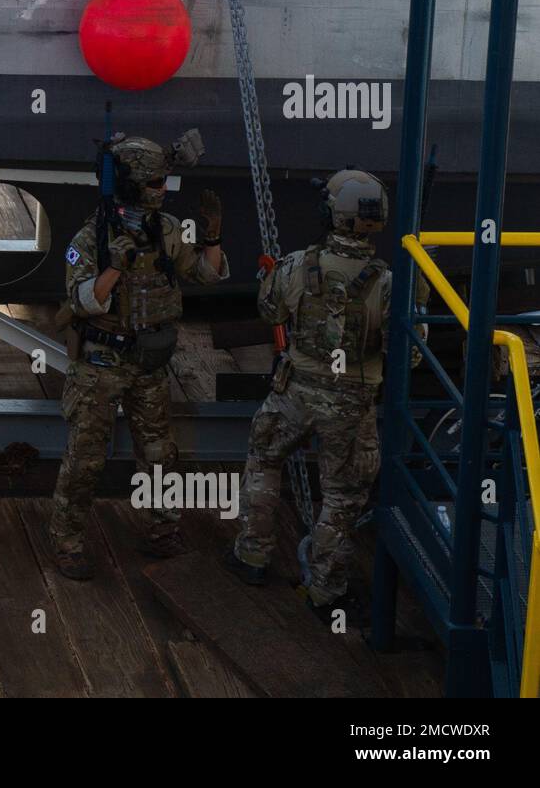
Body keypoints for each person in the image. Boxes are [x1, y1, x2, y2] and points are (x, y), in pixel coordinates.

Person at [227, 170, 412, 623]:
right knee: (343, 497)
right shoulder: (391, 285)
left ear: (332, 214)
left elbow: (270, 310)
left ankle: (251, 556)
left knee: (264, 463)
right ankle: (326, 591)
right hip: (351, 405)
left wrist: (267, 278)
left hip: (295, 393)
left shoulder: (297, 265)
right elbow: (409, 354)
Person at [50, 130, 229, 579]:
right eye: (154, 184)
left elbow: (206, 276)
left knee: (159, 454)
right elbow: (83, 301)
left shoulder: (164, 231)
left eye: (164, 181)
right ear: (130, 185)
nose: (162, 191)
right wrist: (115, 267)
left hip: (148, 364)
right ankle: (66, 538)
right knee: (86, 458)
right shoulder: (91, 239)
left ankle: (162, 530)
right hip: (100, 365)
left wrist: (212, 237)